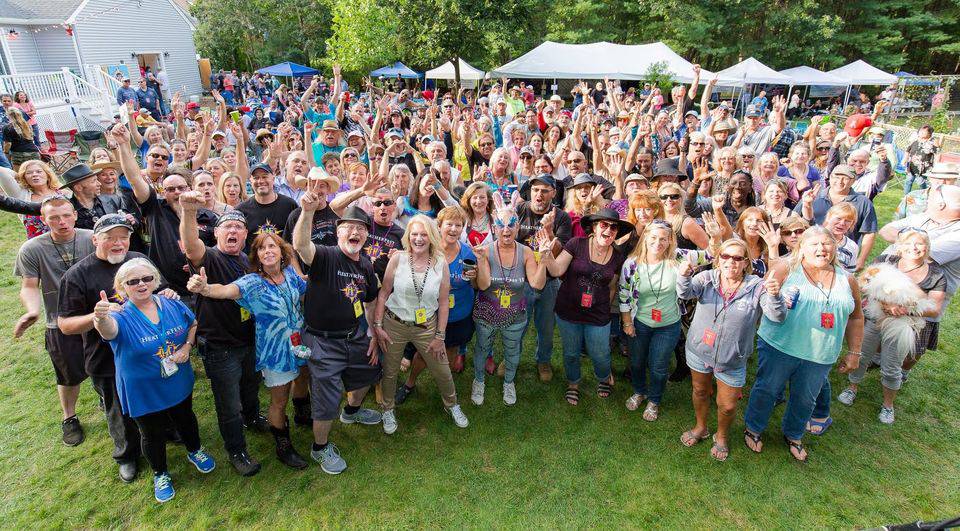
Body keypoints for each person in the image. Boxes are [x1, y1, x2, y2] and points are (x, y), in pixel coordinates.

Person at [57, 213, 175, 482]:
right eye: (110, 237)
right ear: (95, 239)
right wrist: (96, 316)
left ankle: (165, 433)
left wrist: (167, 294)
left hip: (150, 352)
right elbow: (65, 325)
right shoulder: (77, 275)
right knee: (119, 411)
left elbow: (161, 289)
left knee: (158, 396)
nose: (118, 243)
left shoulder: (139, 260)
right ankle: (127, 455)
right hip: (107, 360)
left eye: (123, 236)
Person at [186, 230, 312, 468]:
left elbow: (306, 289)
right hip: (276, 350)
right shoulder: (253, 283)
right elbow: (224, 291)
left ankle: (303, 415)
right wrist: (205, 288)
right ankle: (283, 446)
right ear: (257, 255)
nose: (268, 251)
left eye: (272, 246)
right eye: (262, 248)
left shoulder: (290, 275)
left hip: (300, 343)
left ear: (281, 251)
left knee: (303, 378)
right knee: (278, 400)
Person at [94, 257, 215, 503]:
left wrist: (187, 346)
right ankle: (160, 473)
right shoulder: (120, 315)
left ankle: (195, 450)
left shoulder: (171, 302)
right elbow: (109, 332)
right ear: (122, 286)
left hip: (177, 378)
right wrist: (100, 318)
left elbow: (192, 324)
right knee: (151, 433)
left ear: (156, 280)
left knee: (186, 417)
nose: (141, 284)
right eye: (133, 281)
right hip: (143, 388)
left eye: (147, 278)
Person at [743, 226, 864, 462]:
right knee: (767, 389)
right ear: (802, 248)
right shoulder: (786, 269)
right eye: (814, 244)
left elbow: (857, 317)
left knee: (805, 398)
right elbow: (765, 303)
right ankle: (754, 428)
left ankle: (794, 434)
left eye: (826, 244)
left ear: (835, 247)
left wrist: (855, 352)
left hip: (820, 354)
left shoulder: (848, 280)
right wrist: (775, 298)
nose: (821, 249)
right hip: (780, 346)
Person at [292, 185, 383, 475]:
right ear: (338, 231)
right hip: (322, 341)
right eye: (349, 228)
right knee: (327, 397)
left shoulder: (366, 266)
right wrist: (307, 213)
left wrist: (372, 333)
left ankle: (352, 412)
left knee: (370, 370)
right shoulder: (326, 256)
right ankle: (319, 448)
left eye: (361, 228)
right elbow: (301, 246)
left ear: (367, 236)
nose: (355, 233)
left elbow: (369, 302)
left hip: (354, 336)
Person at [178, 195, 265, 477]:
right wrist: (189, 211)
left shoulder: (248, 260)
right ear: (216, 233)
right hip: (220, 347)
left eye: (238, 228)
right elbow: (191, 246)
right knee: (228, 404)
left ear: (245, 235)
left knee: (251, 387)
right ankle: (236, 450)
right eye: (227, 227)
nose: (233, 231)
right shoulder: (210, 258)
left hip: (250, 340)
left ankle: (252, 418)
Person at [677, 239, 785, 461]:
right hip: (699, 352)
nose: (731, 262)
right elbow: (685, 293)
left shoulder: (757, 287)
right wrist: (684, 275)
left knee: (726, 406)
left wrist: (775, 296)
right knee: (699, 391)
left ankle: (722, 436)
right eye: (725, 256)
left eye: (737, 258)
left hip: (732, 359)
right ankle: (700, 427)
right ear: (718, 259)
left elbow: (777, 316)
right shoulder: (706, 279)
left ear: (746, 262)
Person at [837, 228, 946, 424]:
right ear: (899, 246)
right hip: (874, 318)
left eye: (919, 244)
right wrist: (886, 303)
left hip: (903, 325)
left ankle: (888, 405)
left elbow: (934, 309)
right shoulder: (885, 261)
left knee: (892, 366)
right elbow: (862, 284)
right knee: (861, 355)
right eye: (908, 243)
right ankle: (851, 387)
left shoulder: (936, 275)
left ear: (927, 248)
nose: (913, 248)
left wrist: (904, 310)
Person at [372, 214, 468, 433]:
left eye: (423, 234)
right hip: (395, 324)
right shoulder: (398, 259)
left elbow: (443, 303)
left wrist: (439, 336)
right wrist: (378, 326)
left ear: (432, 237)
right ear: (408, 236)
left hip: (427, 327)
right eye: (414, 234)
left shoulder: (440, 262)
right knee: (390, 370)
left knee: (443, 370)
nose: (418, 239)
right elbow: (384, 292)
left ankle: (452, 405)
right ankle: (387, 409)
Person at [14, 196, 96, 446]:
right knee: (68, 374)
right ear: (43, 219)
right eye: (54, 218)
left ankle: (109, 400)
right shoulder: (32, 249)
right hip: (60, 321)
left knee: (108, 366)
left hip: (97, 315)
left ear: (74, 214)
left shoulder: (91, 237)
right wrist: (32, 311)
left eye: (66, 215)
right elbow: (29, 286)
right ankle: (69, 417)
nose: (61, 222)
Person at [540, 208, 631, 406]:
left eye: (614, 227)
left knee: (600, 353)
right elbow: (557, 270)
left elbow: (612, 286)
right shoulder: (576, 244)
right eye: (604, 225)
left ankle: (603, 376)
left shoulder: (617, 257)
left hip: (598, 314)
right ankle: (573, 383)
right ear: (594, 228)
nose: (609, 231)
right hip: (568, 311)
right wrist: (547, 256)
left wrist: (604, 306)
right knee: (571, 352)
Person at [471, 196, 548, 406]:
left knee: (512, 350)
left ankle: (509, 382)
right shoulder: (485, 251)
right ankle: (478, 381)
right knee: (482, 347)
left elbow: (537, 284)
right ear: (494, 228)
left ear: (518, 228)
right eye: (501, 225)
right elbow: (484, 285)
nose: (506, 230)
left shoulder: (526, 253)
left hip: (515, 314)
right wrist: (480, 260)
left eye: (511, 225)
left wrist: (545, 259)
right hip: (486, 311)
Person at [396, 206, 478, 400]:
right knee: (424, 352)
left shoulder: (467, 253)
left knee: (450, 350)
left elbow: (473, 284)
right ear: (439, 226)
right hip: (432, 312)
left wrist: (474, 276)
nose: (454, 229)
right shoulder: (428, 250)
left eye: (459, 225)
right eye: (449, 224)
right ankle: (410, 383)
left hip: (459, 313)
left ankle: (444, 385)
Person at [618, 221, 683, 421]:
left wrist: (716, 238)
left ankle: (654, 400)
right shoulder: (632, 263)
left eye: (663, 238)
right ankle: (639, 391)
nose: (658, 242)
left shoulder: (678, 258)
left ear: (670, 240)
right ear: (645, 237)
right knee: (636, 363)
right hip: (640, 322)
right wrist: (627, 322)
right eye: (654, 237)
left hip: (668, 325)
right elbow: (623, 295)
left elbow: (709, 255)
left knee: (658, 366)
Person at [515, 174, 572, 381]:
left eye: (544, 191)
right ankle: (512, 358)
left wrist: (548, 231)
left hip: (548, 282)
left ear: (553, 193)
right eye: (536, 190)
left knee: (546, 327)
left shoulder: (562, 218)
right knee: (518, 323)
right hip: (521, 281)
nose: (539, 195)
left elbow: (556, 253)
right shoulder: (520, 210)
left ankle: (543, 360)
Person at [797, 164, 877, 271]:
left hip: (843, 254)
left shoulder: (863, 202)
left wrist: (861, 259)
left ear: (853, 181)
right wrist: (807, 204)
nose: (840, 181)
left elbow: (869, 232)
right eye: (837, 177)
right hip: (812, 252)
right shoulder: (814, 195)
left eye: (845, 178)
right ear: (830, 177)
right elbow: (796, 218)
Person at [236, 163, 299, 248]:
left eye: (264, 177)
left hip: (285, 259)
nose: (260, 181)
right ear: (250, 181)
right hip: (254, 260)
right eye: (256, 178)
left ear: (273, 179)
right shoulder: (241, 210)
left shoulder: (290, 205)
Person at [0, 160, 61, 238]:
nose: (34, 175)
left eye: (39, 171)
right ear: (24, 177)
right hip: (39, 246)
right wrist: (18, 176)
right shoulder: (21, 195)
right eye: (29, 173)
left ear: (47, 175)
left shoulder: (62, 192)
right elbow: (1, 172)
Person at [902, 125, 939, 195]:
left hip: (923, 167)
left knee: (920, 182)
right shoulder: (914, 141)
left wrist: (936, 165)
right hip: (912, 166)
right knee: (908, 181)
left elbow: (937, 154)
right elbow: (907, 151)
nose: (921, 132)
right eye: (920, 131)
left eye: (924, 131)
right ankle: (906, 196)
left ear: (929, 133)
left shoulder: (932, 142)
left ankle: (925, 194)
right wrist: (904, 160)